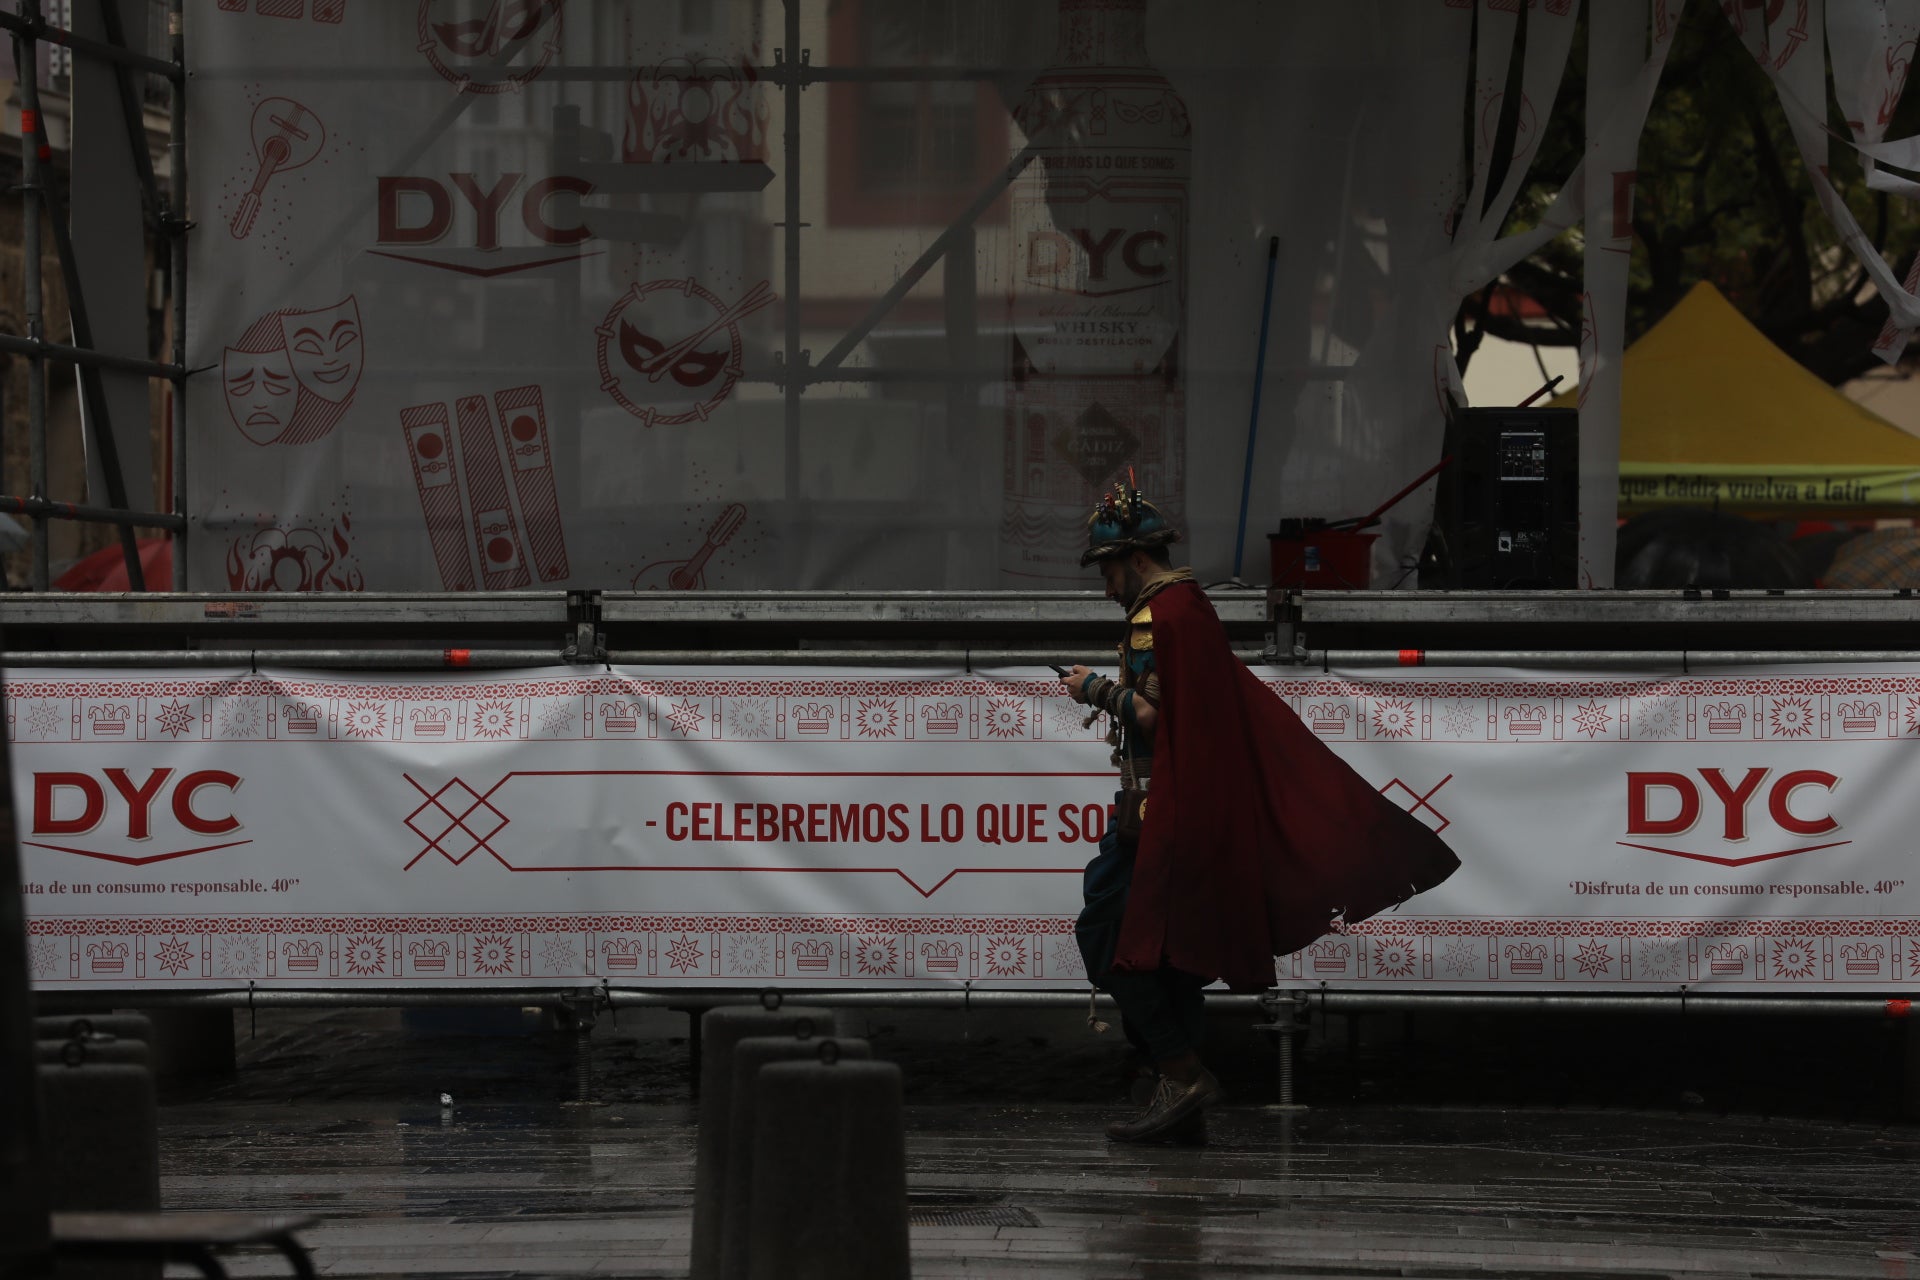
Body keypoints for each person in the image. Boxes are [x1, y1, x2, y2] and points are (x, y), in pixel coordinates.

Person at [1063, 477, 1460, 1144]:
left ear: (1134, 561)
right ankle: (1177, 1098)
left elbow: (1159, 718)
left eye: (1108, 572)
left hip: (1156, 812)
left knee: (1107, 938)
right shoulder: (1192, 606)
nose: (1106, 588)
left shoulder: (1153, 617)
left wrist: (1093, 689)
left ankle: (1180, 1070)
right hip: (1182, 809)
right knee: (1171, 955)